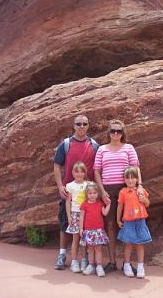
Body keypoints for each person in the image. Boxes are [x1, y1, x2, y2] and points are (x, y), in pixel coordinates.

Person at [94, 119, 144, 274]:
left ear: (123, 133)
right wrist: (102, 191)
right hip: (108, 190)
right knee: (110, 226)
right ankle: (112, 262)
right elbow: (97, 170)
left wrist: (139, 185)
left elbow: (135, 167)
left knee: (128, 224)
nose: (115, 134)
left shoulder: (128, 148)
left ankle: (127, 263)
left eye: (119, 131)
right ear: (108, 133)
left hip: (126, 190)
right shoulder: (102, 149)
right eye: (113, 131)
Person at [53, 115, 99, 270]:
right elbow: (57, 165)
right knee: (65, 224)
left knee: (85, 228)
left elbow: (99, 168)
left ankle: (85, 258)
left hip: (88, 197)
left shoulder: (94, 145)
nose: (81, 126)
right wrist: (60, 186)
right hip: (69, 192)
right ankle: (62, 255)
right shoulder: (66, 144)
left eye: (84, 124)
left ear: (88, 126)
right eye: (78, 124)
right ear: (73, 126)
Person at [117, 166, 152, 278]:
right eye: (128, 178)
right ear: (124, 179)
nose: (130, 180)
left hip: (140, 221)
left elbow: (147, 204)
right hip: (128, 222)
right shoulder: (123, 192)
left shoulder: (141, 191)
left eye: (133, 178)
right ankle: (126, 265)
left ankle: (141, 266)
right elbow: (120, 206)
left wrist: (144, 200)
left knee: (140, 244)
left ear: (137, 179)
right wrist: (118, 219)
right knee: (128, 244)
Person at [79, 182, 110, 277]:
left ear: (97, 194)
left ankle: (99, 266)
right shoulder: (84, 205)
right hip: (88, 231)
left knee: (99, 249)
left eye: (94, 193)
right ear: (86, 194)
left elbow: (104, 213)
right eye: (90, 193)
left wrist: (108, 205)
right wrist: (81, 229)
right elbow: (81, 217)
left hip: (98, 231)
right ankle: (91, 265)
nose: (92, 195)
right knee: (90, 249)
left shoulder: (100, 203)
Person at [65, 162, 88, 273]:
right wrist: (69, 216)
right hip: (75, 214)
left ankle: (84, 261)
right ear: (73, 173)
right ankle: (74, 262)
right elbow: (68, 202)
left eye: (81, 171)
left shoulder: (88, 184)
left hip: (86, 215)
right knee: (75, 239)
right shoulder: (70, 186)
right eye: (77, 171)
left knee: (84, 240)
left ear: (85, 172)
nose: (79, 174)